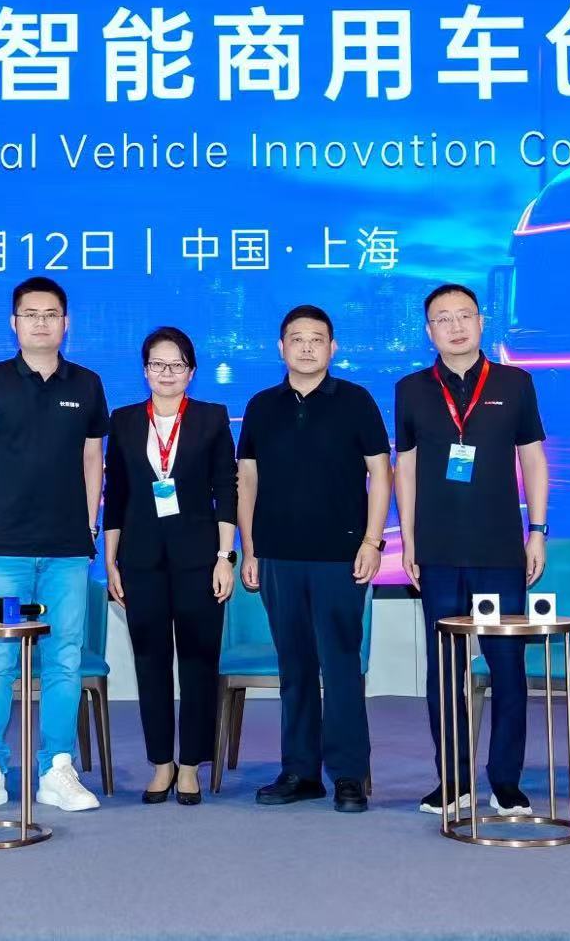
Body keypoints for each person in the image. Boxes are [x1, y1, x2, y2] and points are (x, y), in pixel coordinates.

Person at [0, 276, 110, 814]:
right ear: (14, 323)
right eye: (30, 314)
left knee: (64, 658)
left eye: (51, 314)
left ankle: (56, 768)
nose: (41, 322)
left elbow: (93, 459)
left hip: (67, 551)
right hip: (5, 551)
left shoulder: (87, 384)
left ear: (66, 323)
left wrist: (89, 526)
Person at [395, 283, 549, 818]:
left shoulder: (515, 383)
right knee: (444, 671)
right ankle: (454, 782)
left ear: (482, 322)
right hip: (437, 551)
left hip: (500, 550)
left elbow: (533, 459)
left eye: (464, 315)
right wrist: (408, 539)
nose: (455, 326)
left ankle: (505, 783)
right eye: (443, 318)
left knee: (507, 668)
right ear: (429, 331)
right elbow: (405, 468)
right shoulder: (412, 389)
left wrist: (537, 530)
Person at [237, 305, 391, 813]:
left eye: (317, 338)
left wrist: (372, 541)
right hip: (278, 555)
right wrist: (250, 548)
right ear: (281, 347)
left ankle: (348, 774)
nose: (306, 347)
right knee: (295, 666)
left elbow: (380, 473)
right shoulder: (261, 406)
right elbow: (247, 481)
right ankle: (300, 771)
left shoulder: (356, 401)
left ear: (332, 347)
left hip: (339, 557)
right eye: (297, 338)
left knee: (341, 665)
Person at [104, 327, 238, 805]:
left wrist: (225, 557)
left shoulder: (210, 418)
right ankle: (161, 762)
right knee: (150, 661)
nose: (167, 373)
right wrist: (111, 560)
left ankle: (191, 765)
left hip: (200, 559)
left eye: (176, 365)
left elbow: (226, 490)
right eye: (158, 365)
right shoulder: (123, 421)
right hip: (140, 561)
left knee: (200, 660)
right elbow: (116, 496)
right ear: (145, 371)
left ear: (191, 372)